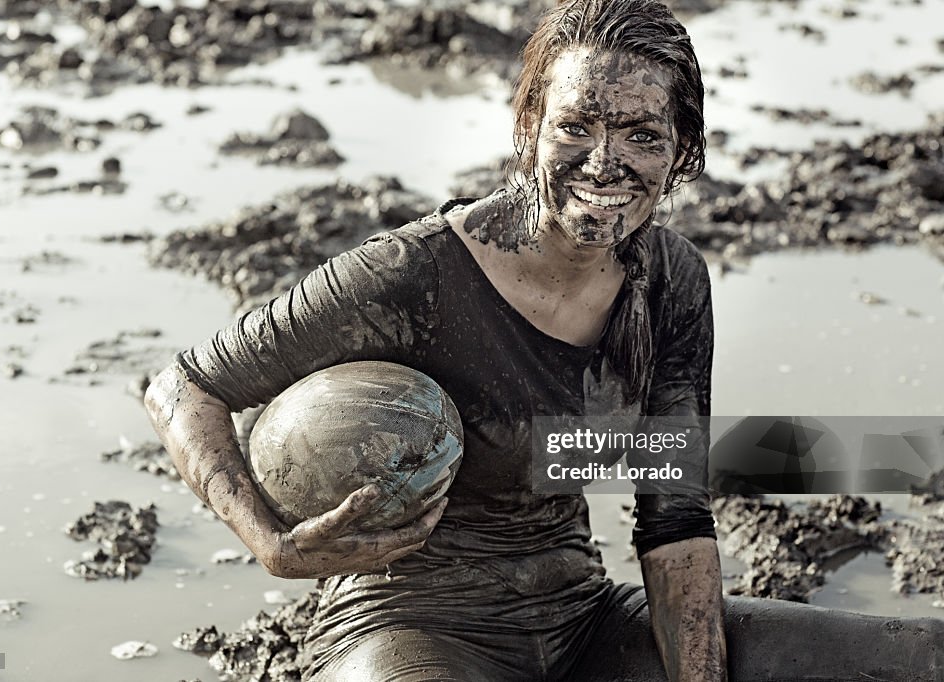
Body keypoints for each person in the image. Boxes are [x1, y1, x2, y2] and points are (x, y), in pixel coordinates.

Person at [145, 0, 944, 679]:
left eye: (641, 135)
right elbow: (184, 386)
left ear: (681, 152)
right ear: (528, 128)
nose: (606, 162)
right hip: (408, 627)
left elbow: (673, 517)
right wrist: (272, 542)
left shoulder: (670, 282)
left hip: (582, 618)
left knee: (916, 656)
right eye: (576, 127)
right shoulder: (414, 275)